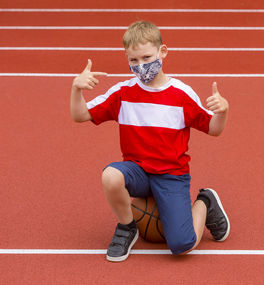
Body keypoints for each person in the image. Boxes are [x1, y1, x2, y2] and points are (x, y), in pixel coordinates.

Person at [69, 20, 230, 262]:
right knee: (111, 175)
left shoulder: (181, 94)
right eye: (133, 60)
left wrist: (223, 112)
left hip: (171, 175)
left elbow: (213, 129)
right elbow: (80, 115)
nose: (141, 65)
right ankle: (127, 228)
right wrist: (76, 89)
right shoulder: (122, 93)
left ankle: (205, 202)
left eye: (146, 57)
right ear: (126, 58)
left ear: (162, 52)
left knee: (182, 246)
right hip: (139, 173)